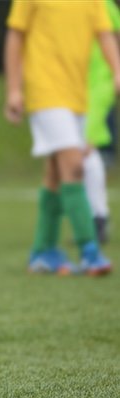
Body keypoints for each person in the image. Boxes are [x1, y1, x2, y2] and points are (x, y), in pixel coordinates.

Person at [3, 0, 120, 276]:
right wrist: (13, 89)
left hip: (78, 97)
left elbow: (105, 34)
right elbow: (15, 36)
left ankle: (43, 252)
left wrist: (117, 70)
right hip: (44, 91)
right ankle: (90, 251)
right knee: (75, 165)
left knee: (56, 173)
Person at [84, 0, 120, 244]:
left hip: (98, 84)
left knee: (86, 147)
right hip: (73, 85)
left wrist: (116, 71)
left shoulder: (102, 5)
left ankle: (97, 218)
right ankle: (93, 217)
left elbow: (112, 36)